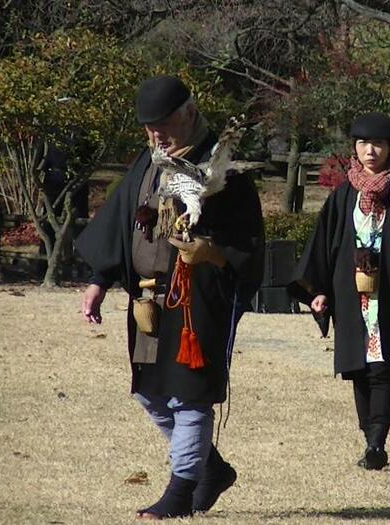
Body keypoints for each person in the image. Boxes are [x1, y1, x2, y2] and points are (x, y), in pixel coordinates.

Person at [76, 75, 264, 519]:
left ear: (190, 113)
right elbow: (120, 221)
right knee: (150, 393)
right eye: (148, 129)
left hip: (197, 298)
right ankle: (211, 469)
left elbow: (248, 245)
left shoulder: (225, 171)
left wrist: (212, 252)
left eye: (162, 126)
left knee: (189, 395)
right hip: (147, 300)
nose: (155, 136)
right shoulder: (149, 161)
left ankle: (179, 494)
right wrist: (99, 281)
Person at [288, 112, 390, 470]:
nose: (371, 151)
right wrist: (318, 291)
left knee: (382, 369)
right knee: (358, 368)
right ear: (354, 148)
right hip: (351, 294)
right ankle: (367, 436)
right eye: (363, 144)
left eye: (379, 145)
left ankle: (377, 443)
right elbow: (324, 247)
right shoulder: (342, 196)